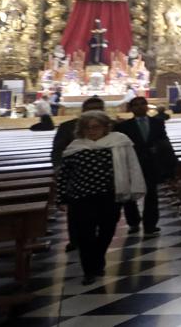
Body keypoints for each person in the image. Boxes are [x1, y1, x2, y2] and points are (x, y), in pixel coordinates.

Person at [57, 110, 145, 284]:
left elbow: (131, 166)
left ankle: (98, 256)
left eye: (96, 127)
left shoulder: (118, 142)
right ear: (81, 129)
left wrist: (132, 188)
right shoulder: (75, 147)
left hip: (109, 196)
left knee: (107, 230)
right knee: (84, 234)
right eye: (87, 128)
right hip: (81, 198)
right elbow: (64, 174)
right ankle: (89, 270)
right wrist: (61, 198)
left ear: (106, 127)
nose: (91, 131)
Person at [53, 96, 106, 252]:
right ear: (83, 111)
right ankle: (75, 239)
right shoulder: (67, 127)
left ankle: (98, 239)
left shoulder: (111, 128)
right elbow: (58, 150)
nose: (94, 112)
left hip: (104, 177)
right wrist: (58, 168)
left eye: (98, 109)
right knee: (76, 211)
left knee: (103, 212)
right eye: (91, 109)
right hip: (76, 176)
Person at [115, 96, 173, 234]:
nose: (140, 107)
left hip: (151, 163)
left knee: (152, 194)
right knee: (129, 195)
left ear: (147, 106)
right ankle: (133, 222)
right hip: (132, 163)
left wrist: (158, 149)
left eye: (142, 104)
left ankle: (150, 224)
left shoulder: (157, 122)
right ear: (131, 108)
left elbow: (163, 140)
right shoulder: (123, 126)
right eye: (136, 105)